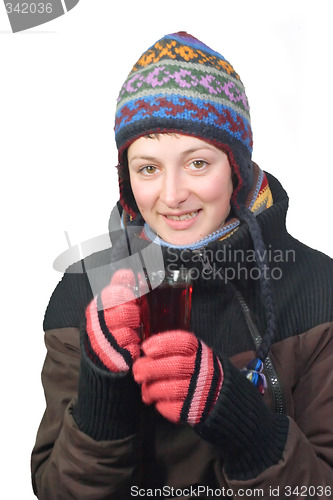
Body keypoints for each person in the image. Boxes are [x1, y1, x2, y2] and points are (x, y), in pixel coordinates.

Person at [31, 32, 333, 499]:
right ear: (126, 177)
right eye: (148, 168)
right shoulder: (82, 292)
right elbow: (58, 492)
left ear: (237, 168)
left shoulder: (317, 288)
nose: (171, 196)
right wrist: (103, 388)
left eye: (197, 163)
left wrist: (245, 424)